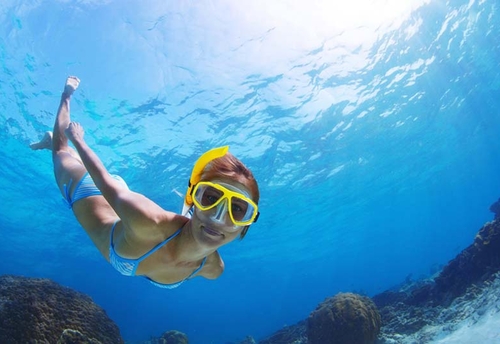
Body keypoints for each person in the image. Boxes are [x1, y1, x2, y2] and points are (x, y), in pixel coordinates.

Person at [31, 76, 260, 289]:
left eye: (238, 209)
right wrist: (78, 141)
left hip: (125, 206)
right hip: (90, 191)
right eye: (210, 198)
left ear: (246, 225)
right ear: (194, 201)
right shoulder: (148, 222)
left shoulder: (212, 269)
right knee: (62, 151)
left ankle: (56, 143)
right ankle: (66, 97)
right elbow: (103, 180)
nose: (219, 216)